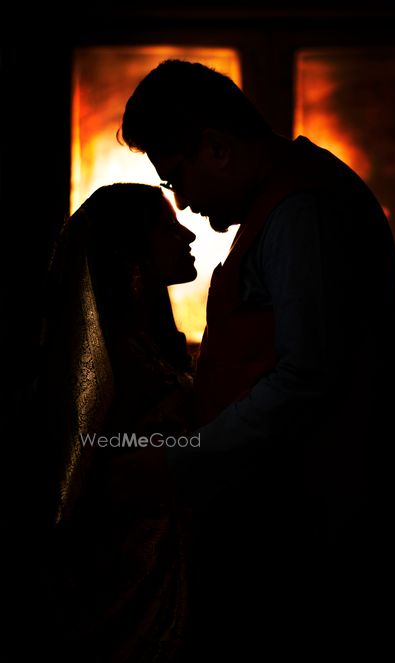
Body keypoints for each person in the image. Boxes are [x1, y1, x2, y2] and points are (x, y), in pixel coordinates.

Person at [119, 61, 395, 658]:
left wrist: (181, 459)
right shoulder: (287, 203)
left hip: (321, 538)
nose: (182, 203)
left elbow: (305, 377)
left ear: (216, 148)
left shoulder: (301, 210)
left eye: (176, 176)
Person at [27, 183, 197, 663]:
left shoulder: (147, 347)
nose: (188, 236)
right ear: (129, 250)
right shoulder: (115, 362)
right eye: (168, 227)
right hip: (125, 598)